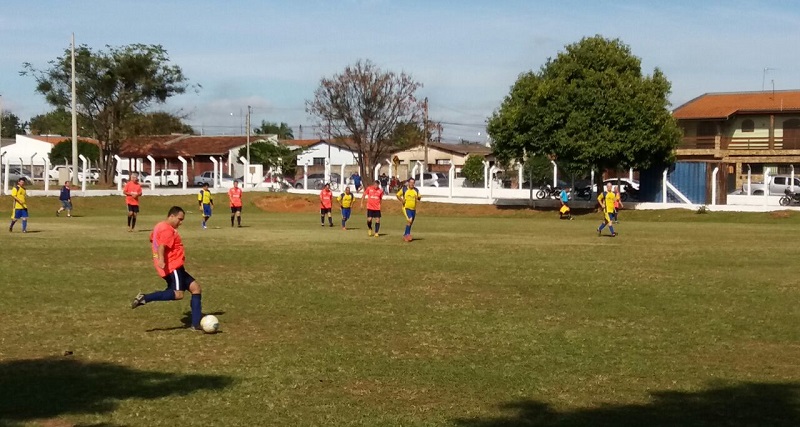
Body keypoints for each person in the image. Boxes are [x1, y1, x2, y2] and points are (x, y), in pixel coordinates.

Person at [130, 206, 204, 331]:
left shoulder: (159, 226)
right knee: (178, 294)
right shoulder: (167, 229)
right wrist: (161, 259)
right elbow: (162, 246)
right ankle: (145, 298)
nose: (181, 222)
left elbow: (152, 238)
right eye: (179, 219)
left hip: (175, 266)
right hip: (172, 266)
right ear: (172, 216)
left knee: (196, 288)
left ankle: (195, 324)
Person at [396, 177, 421, 242]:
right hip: (406, 208)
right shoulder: (404, 189)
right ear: (408, 183)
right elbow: (398, 195)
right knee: (410, 220)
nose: (412, 184)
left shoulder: (416, 190)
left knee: (410, 222)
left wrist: (418, 198)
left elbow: (419, 197)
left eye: (413, 183)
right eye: (411, 182)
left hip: (413, 209)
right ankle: (407, 234)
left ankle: (405, 234)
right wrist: (401, 200)